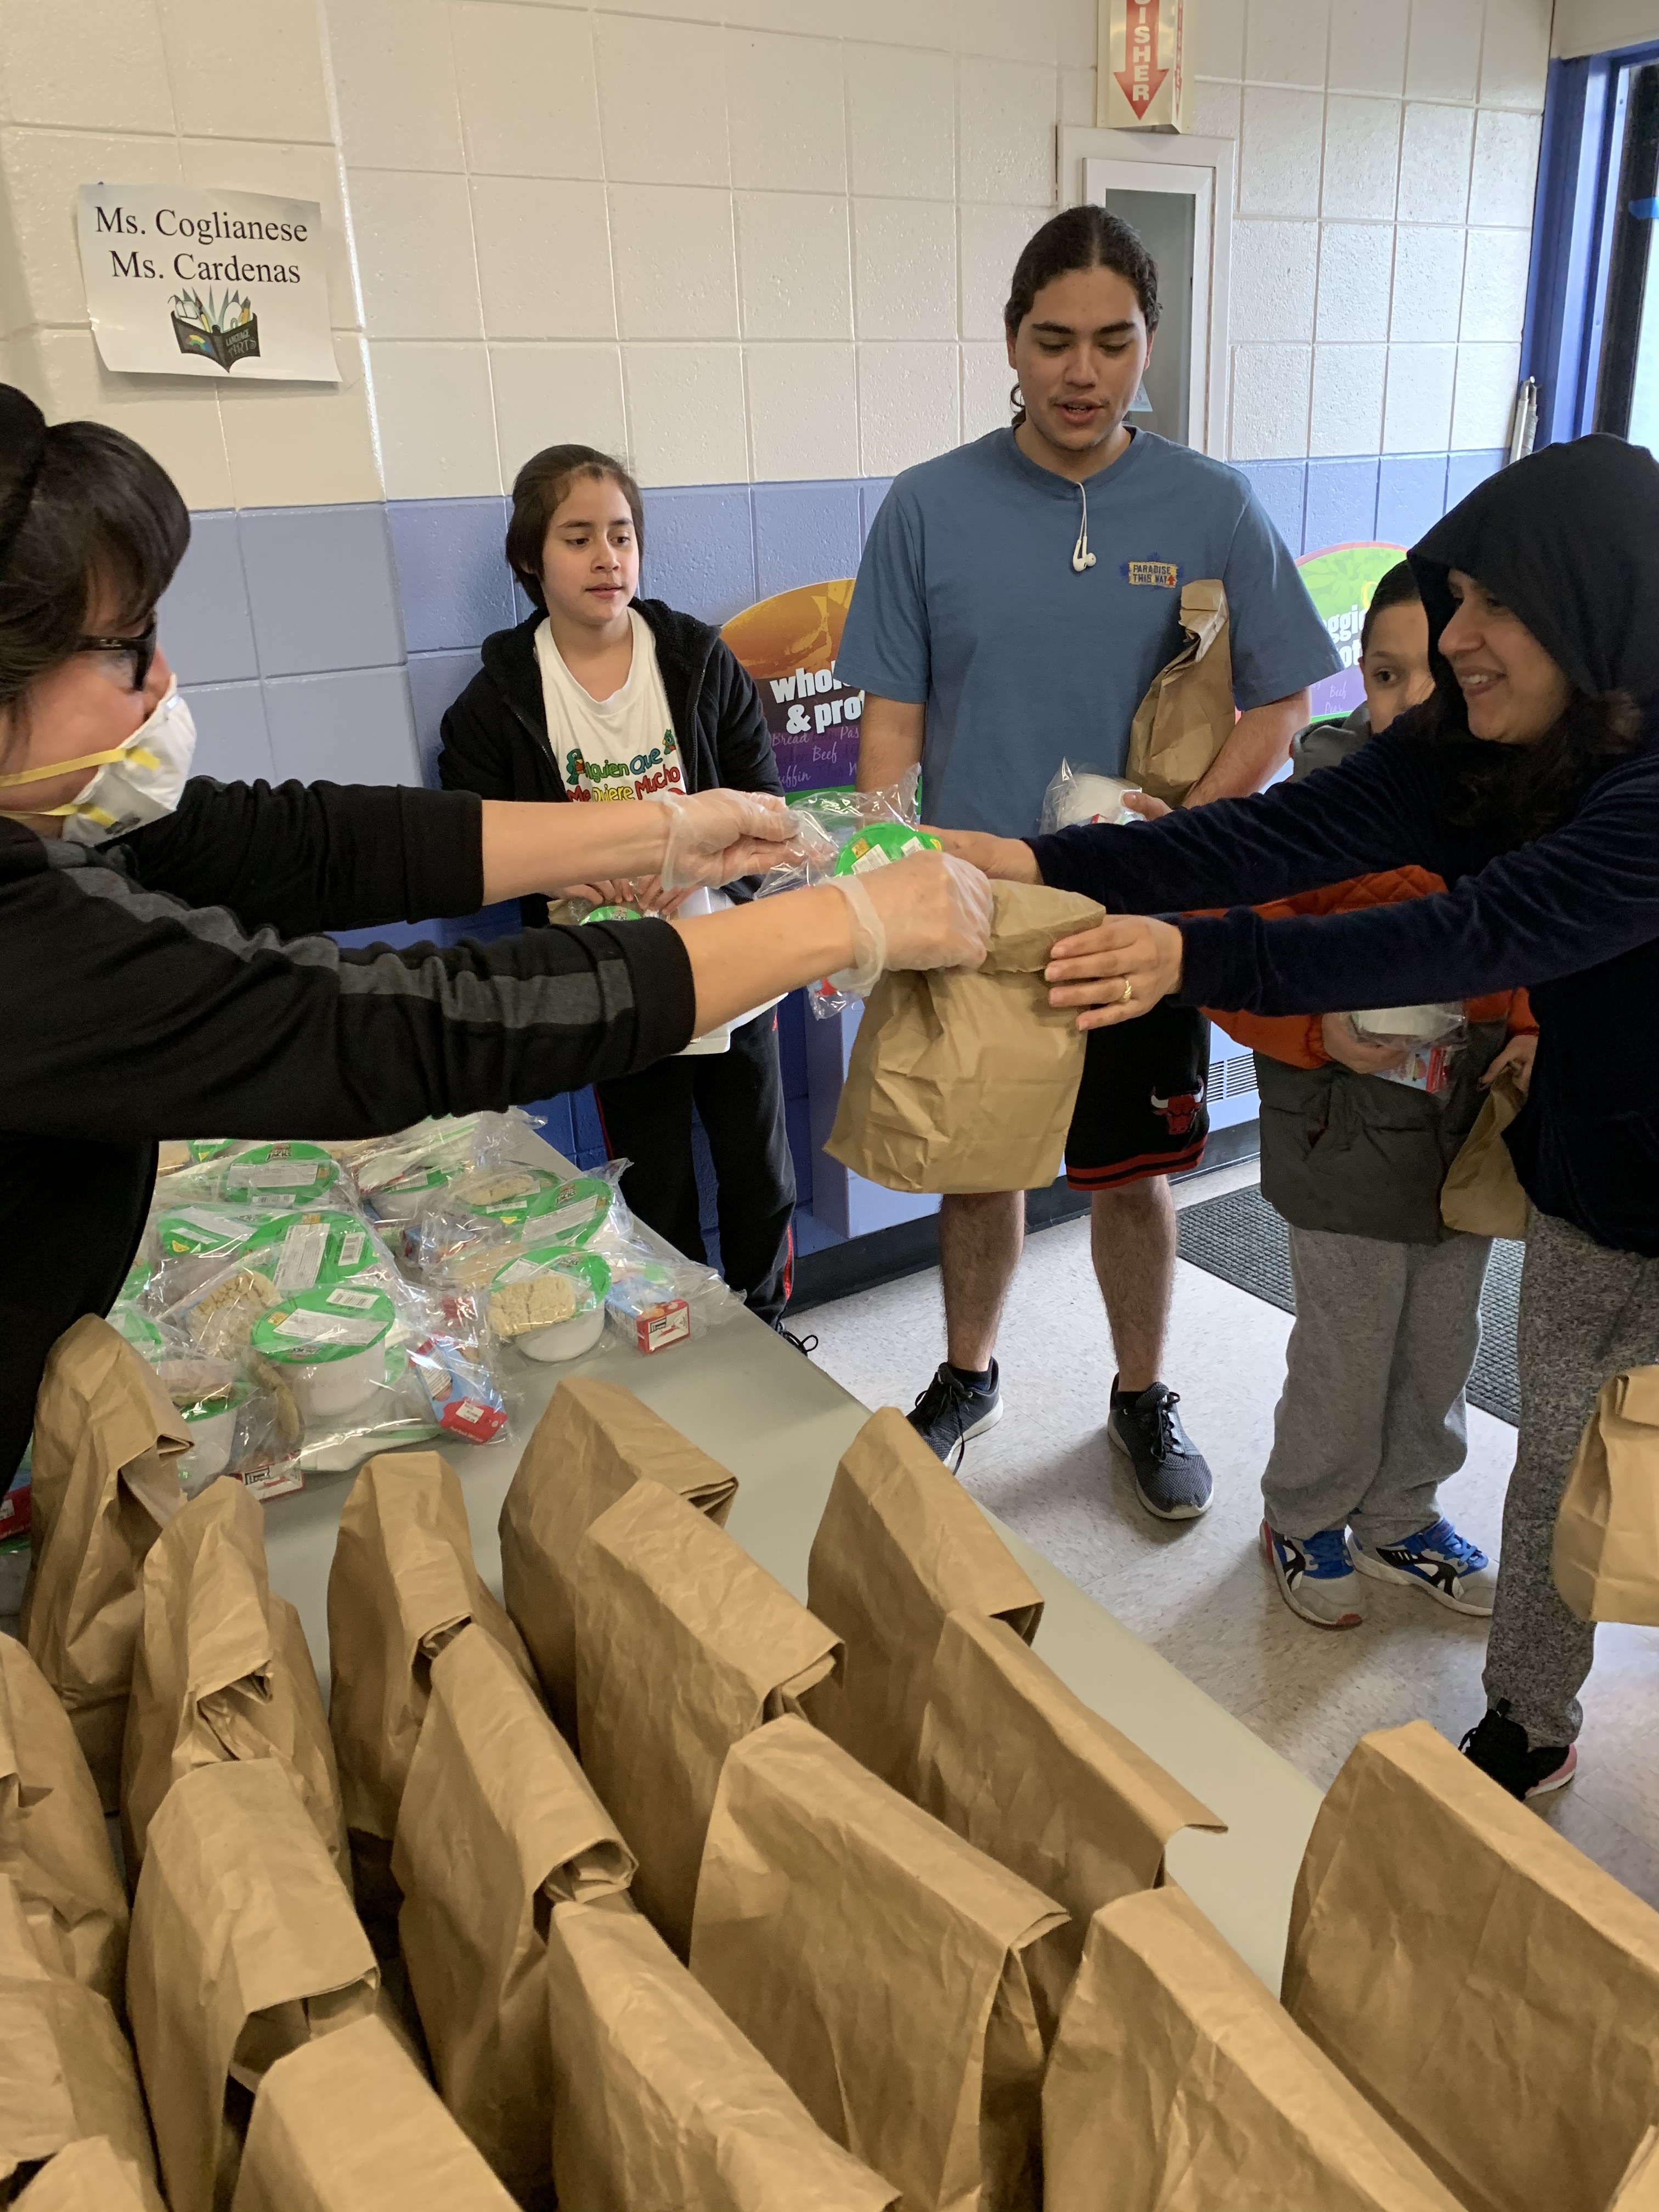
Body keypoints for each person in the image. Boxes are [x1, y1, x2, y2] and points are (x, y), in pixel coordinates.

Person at [0, 387, 991, 1483]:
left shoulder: (82, 826)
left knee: (753, 1174)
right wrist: (839, 920)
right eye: (124, 647)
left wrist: (659, 829)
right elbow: (370, 1025)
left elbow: (313, 843)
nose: (163, 683)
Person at [939, 433, 1659, 1802]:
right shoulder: (1493, 748)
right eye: (1454, 604)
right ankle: (1529, 1714)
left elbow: (1471, 932)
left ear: (1588, 606)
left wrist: (1193, 958)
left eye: (1495, 607)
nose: (1459, 641)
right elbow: (1277, 839)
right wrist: (1043, 861)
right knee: (1562, 1463)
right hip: (1596, 1175)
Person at [836, 205, 1339, 1512]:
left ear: (1147, 347)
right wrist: (881, 885)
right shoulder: (929, 509)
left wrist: (1191, 835)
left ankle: (1139, 1394)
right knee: (977, 1164)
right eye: (1053, 341)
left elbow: (1283, 703)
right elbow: (888, 729)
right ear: (1010, 340)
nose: (1081, 372)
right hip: (975, 906)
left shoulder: (1213, 505)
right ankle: (967, 1373)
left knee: (1132, 1180)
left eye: (1111, 343)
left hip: (1132, 914)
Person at [1206, 563, 1536, 1627]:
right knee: (1349, 1345)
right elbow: (1228, 960)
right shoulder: (1321, 814)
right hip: (1341, 1130)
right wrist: (1313, 1028)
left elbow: (1550, 937)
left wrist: (1529, 1028)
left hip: (1460, 1126)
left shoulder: (1523, 805)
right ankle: (1303, 1514)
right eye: (1385, 675)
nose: (1405, 705)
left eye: (1435, 680)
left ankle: (1402, 1514)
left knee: (1441, 1340)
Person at [438, 445, 796, 1328]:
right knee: (654, 1176)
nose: (608, 558)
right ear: (530, 558)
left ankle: (769, 1318)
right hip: (608, 981)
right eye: (578, 537)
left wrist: (707, 872)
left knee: (757, 1168)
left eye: (623, 535)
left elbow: (768, 809)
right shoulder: (495, 704)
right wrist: (576, 865)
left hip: (728, 964)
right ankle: (685, 1332)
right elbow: (481, 841)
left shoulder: (697, 662)